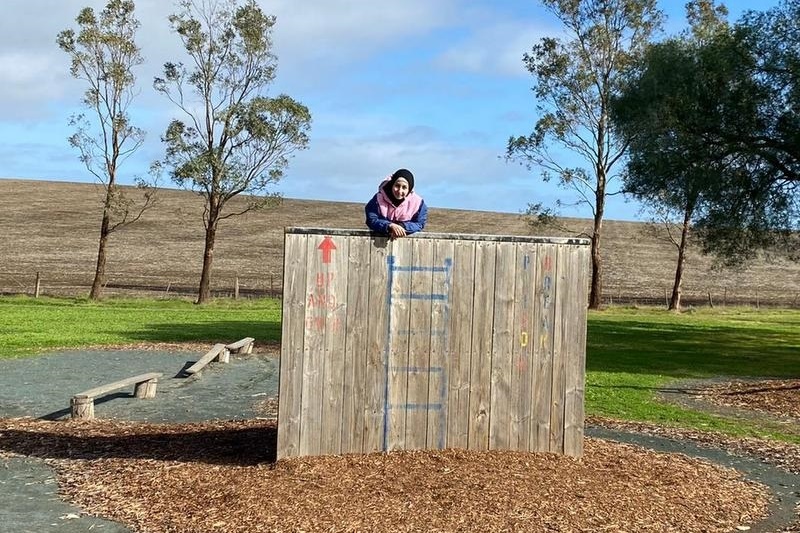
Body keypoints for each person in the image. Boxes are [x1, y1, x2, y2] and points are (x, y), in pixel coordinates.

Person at [365, 168, 427, 239]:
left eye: (404, 187)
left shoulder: (418, 204)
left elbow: (419, 224)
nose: (400, 191)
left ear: (409, 189)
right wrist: (389, 226)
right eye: (397, 186)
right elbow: (371, 220)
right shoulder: (378, 199)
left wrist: (402, 226)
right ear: (392, 184)